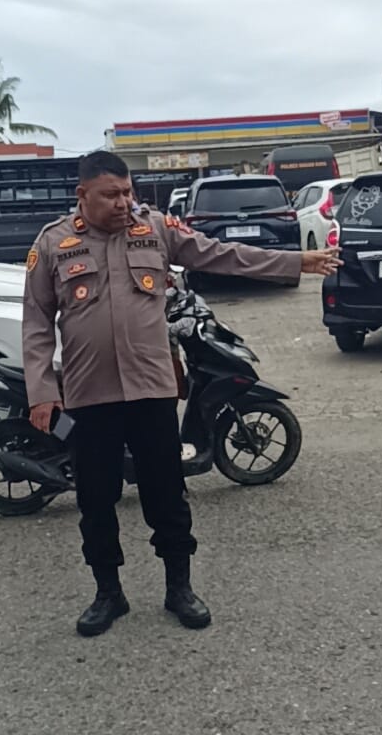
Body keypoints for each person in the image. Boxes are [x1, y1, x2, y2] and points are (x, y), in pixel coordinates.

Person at [22, 150, 341, 638]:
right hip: (89, 396)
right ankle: (108, 593)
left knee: (167, 494)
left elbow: (222, 254)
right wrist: (42, 392)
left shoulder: (155, 229)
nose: (123, 203)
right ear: (82, 195)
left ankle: (179, 588)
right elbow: (37, 324)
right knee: (96, 501)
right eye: (111, 195)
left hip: (152, 391)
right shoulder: (52, 244)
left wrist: (295, 261)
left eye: (127, 192)